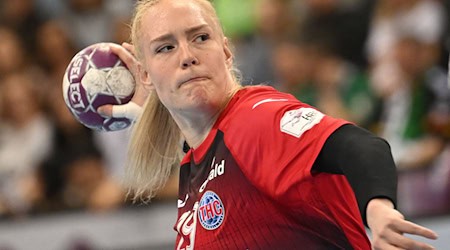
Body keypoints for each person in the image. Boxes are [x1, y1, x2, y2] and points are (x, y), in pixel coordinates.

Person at [96, 0, 438, 249]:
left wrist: (378, 209)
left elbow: (359, 146)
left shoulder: (253, 118)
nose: (187, 55)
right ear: (144, 74)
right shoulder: (196, 162)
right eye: (166, 47)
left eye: (200, 38)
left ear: (227, 53)